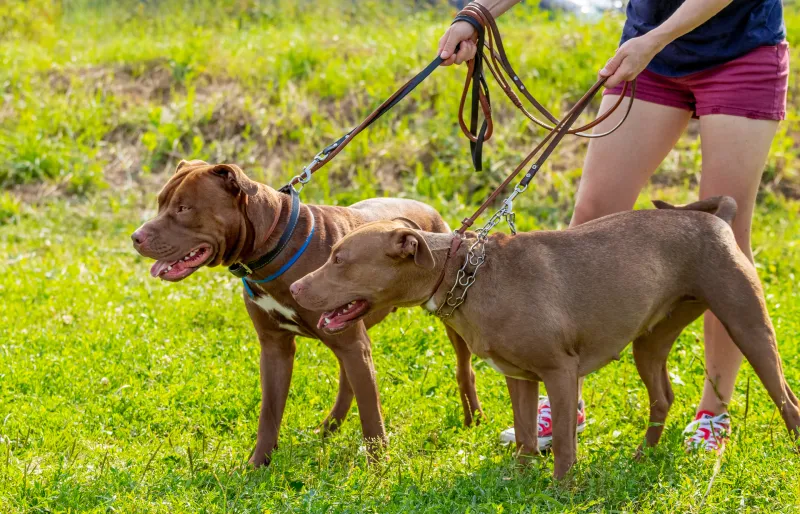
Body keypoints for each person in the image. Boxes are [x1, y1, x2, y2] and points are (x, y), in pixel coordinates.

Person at [437, 0, 788, 452]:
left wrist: (656, 38)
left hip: (739, 54)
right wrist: (477, 14)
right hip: (650, 56)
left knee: (725, 243)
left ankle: (713, 412)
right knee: (590, 218)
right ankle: (566, 405)